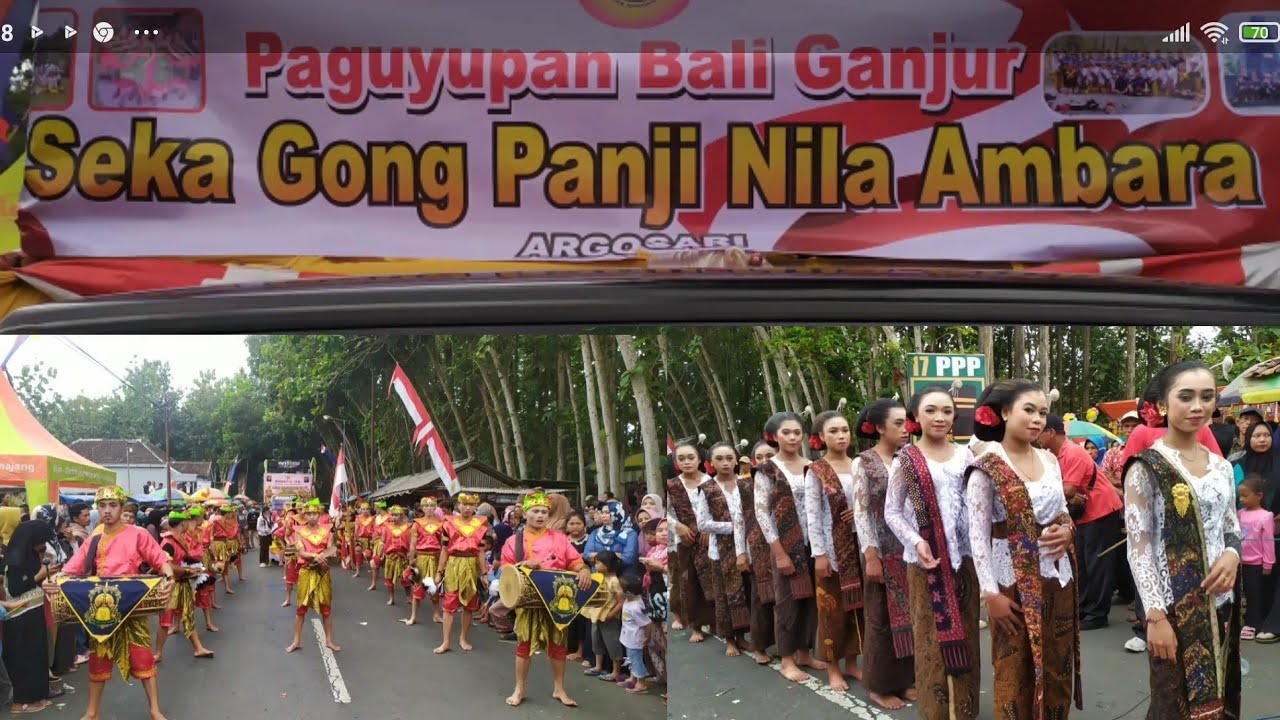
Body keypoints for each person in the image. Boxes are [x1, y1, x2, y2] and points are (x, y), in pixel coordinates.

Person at [1124, 360, 1241, 719]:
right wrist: (1155, 618)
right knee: (1172, 702)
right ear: (1162, 405)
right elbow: (1139, 547)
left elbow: (1230, 524)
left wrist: (1233, 553)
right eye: (1186, 397)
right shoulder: (1147, 466)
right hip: (1172, 606)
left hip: (1220, 601)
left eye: (1207, 397)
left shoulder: (1221, 466)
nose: (1197, 407)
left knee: (1221, 694)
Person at [966, 381, 1081, 718]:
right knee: (1014, 667)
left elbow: (1062, 511)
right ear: (1004, 412)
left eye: (1042, 412)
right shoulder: (987, 465)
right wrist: (991, 595)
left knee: (1058, 662)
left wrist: (1068, 532)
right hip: (1010, 583)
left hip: (1058, 576)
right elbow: (978, 537)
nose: (1037, 420)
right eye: (1028, 410)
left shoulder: (1049, 459)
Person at [884, 387, 981, 720]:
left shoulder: (967, 456)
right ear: (915, 417)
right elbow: (892, 512)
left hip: (965, 561)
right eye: (931, 410)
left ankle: (964, 712)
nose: (940, 417)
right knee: (931, 645)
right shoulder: (907, 460)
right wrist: (916, 541)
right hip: (926, 563)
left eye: (947, 411)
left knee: (966, 639)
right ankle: (936, 713)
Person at [43, 485, 176, 720]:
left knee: (142, 656)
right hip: (101, 608)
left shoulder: (138, 534)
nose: (107, 511)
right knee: (98, 662)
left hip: (132, 606)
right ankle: (92, 712)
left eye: (112, 505)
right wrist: (52, 579)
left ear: (122, 507)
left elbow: (160, 560)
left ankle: (155, 711)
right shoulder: (94, 537)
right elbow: (71, 568)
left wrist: (169, 578)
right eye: (102, 506)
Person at [500, 489, 595, 707]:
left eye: (544, 511)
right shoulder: (515, 541)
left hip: (557, 600)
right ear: (525, 514)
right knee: (524, 646)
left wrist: (583, 569)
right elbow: (506, 573)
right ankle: (519, 688)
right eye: (535, 511)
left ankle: (559, 689)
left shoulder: (560, 538)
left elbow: (574, 561)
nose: (541, 515)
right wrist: (522, 565)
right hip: (529, 601)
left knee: (558, 646)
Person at [750, 414, 827, 682]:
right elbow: (762, 513)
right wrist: (779, 552)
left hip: (813, 542)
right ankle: (786, 659)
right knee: (786, 602)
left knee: (810, 601)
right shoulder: (767, 470)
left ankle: (804, 651)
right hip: (784, 544)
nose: (793, 437)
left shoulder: (814, 465)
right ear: (774, 436)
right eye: (787, 432)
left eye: (797, 432)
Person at [850, 399, 916, 710]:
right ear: (879, 428)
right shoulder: (864, 462)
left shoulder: (911, 458)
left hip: (911, 550)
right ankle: (878, 685)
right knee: (880, 618)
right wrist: (871, 556)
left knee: (911, 616)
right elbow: (861, 513)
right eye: (898, 424)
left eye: (906, 423)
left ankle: (905, 680)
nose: (906, 429)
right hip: (881, 550)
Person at [1040, 415, 1124, 631]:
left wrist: (1055, 490)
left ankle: (1097, 614)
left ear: (1050, 433)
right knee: (1084, 564)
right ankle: (1084, 607)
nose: (1036, 436)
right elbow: (1067, 490)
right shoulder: (1056, 454)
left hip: (1101, 510)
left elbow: (1068, 489)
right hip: (1085, 515)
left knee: (1097, 563)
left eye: (1040, 431)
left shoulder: (1073, 453)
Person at [805, 411, 865, 691]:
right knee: (831, 610)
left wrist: (862, 512)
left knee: (859, 607)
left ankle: (852, 663)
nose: (841, 436)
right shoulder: (817, 470)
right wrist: (819, 554)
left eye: (844, 430)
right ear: (821, 438)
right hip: (831, 548)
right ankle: (833, 668)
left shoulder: (859, 465)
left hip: (860, 547)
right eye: (834, 432)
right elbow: (813, 515)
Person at [697, 441, 751, 658]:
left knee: (745, 592)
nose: (725, 463)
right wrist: (734, 526)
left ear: (736, 460)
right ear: (711, 463)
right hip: (720, 551)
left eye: (729, 458)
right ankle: (729, 639)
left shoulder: (747, 485)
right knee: (724, 595)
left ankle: (742, 637)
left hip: (746, 549)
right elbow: (703, 523)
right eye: (719, 459)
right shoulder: (708, 489)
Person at [3, 520, 56, 714]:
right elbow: (16, 589)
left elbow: (32, 582)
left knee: (37, 656)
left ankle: (38, 693)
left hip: (34, 612)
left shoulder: (30, 554)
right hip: (21, 617)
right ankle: (22, 702)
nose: (43, 545)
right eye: (41, 541)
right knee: (25, 660)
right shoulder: (15, 558)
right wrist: (40, 574)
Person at [152, 510, 214, 662]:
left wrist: (195, 567)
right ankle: (158, 653)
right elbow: (168, 566)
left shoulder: (181, 538)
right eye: (186, 521)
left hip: (183, 584)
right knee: (165, 622)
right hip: (171, 585)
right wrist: (189, 570)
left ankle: (198, 648)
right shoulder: (168, 542)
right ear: (182, 523)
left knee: (188, 616)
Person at [434, 492, 488, 654]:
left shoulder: (481, 526)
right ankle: (446, 642)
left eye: (471, 505)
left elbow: (480, 552)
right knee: (449, 604)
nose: (467, 508)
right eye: (464, 504)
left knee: (469, 605)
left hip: (471, 565)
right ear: (458, 505)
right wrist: (440, 572)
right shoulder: (448, 524)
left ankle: (463, 638)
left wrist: (484, 573)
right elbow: (444, 550)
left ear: (475, 507)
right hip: (453, 564)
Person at [286, 500, 340, 654]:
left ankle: (329, 640)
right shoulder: (298, 532)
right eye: (308, 513)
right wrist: (317, 556)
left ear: (319, 514)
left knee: (326, 608)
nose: (312, 516)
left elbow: (331, 550)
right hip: (306, 571)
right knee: (301, 608)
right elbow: (301, 552)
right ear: (304, 515)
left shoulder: (327, 531)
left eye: (315, 513)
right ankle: (296, 641)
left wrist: (326, 558)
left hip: (323, 571)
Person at [1238, 475, 1274, 640]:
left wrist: (1268, 563)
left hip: (1256, 563)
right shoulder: (1239, 513)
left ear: (1259, 495)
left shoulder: (1265, 516)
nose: (1241, 499)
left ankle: (1253, 622)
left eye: (1245, 495)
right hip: (1238, 561)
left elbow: (1268, 543)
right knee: (1239, 592)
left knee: (1254, 594)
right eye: (1240, 495)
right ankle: (1237, 621)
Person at [406, 497, 445, 626]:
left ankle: (436, 614)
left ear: (435, 508)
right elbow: (413, 544)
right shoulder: (417, 523)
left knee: (434, 587)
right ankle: (413, 616)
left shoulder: (441, 524)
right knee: (417, 587)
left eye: (431, 506)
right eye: (426, 506)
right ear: (422, 508)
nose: (429, 508)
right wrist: (411, 560)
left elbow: (442, 545)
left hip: (434, 557)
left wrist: (442, 562)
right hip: (421, 558)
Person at [619, 573, 652, 695]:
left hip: (635, 638)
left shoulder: (636, 606)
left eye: (621, 590)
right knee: (631, 658)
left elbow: (647, 623)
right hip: (627, 636)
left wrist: (647, 637)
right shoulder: (629, 600)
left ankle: (641, 683)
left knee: (636, 660)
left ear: (628, 592)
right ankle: (633, 678)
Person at [379, 505, 413, 607]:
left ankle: (408, 597)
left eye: (396, 515)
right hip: (390, 557)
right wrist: (379, 555)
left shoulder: (408, 527)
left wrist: (411, 555)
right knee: (389, 578)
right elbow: (382, 541)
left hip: (403, 557)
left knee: (406, 578)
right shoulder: (386, 527)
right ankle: (391, 598)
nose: (394, 517)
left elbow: (411, 543)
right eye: (392, 515)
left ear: (402, 516)